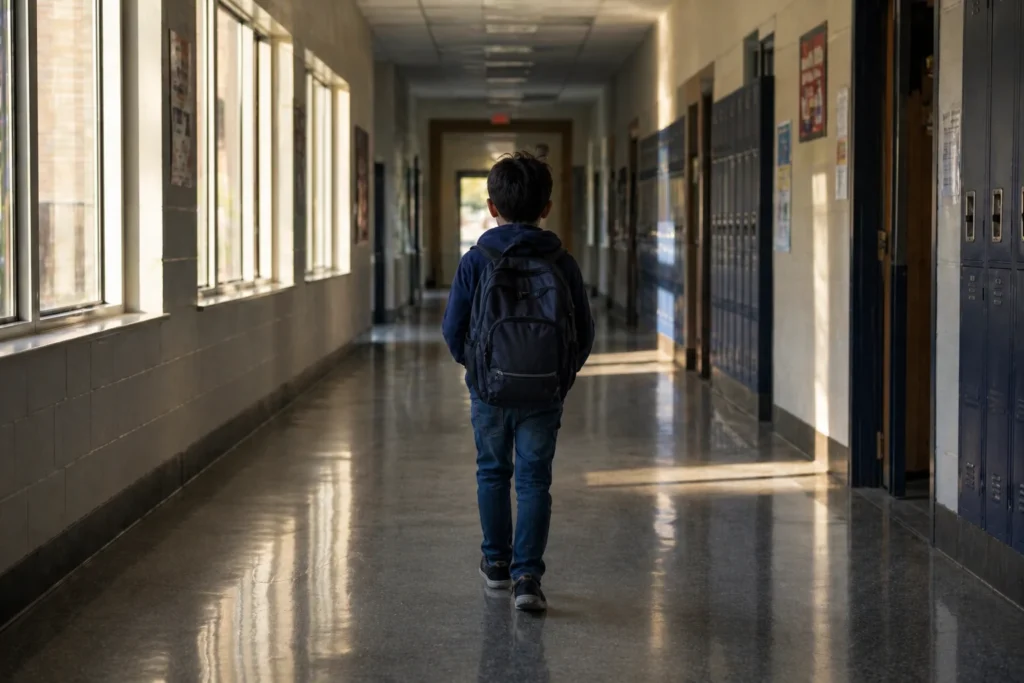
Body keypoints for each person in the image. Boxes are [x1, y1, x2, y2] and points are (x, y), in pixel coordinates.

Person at [442, 151, 595, 612]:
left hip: (489, 389)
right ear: (546, 207)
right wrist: (559, 379)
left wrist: (476, 370)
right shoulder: (563, 262)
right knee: (533, 479)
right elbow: (583, 333)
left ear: (492, 206)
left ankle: (496, 566)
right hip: (544, 389)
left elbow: (453, 328)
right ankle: (527, 576)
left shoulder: (477, 260)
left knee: (493, 472)